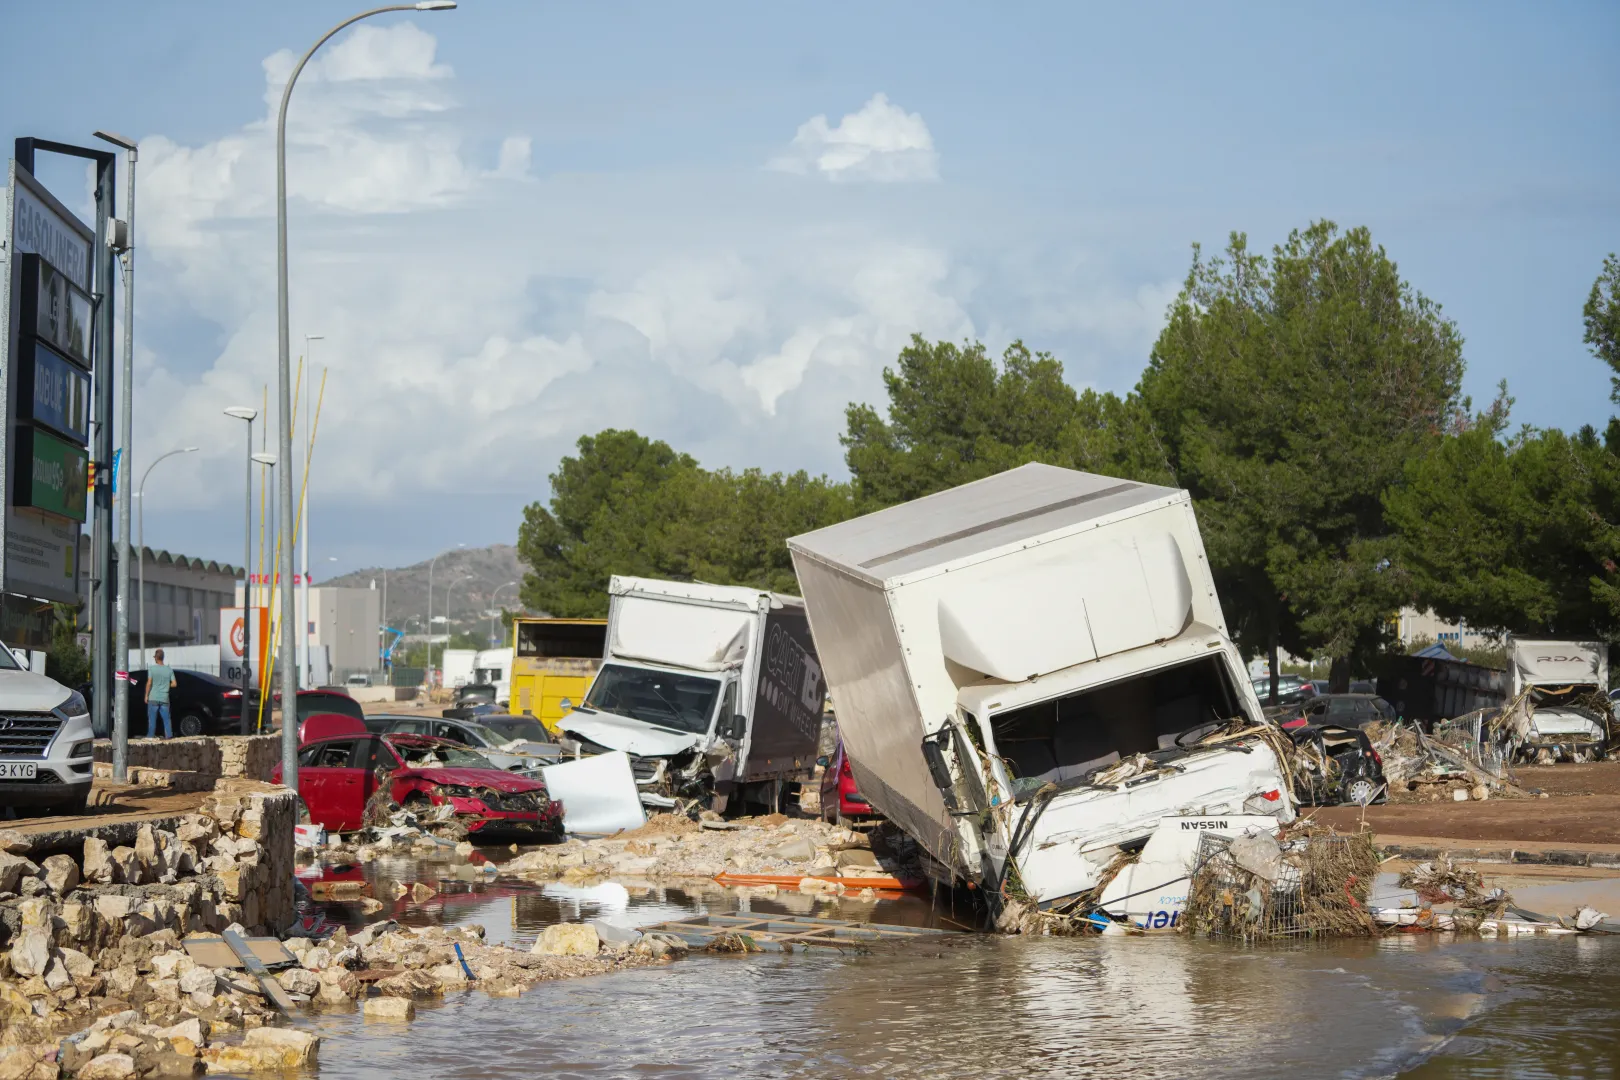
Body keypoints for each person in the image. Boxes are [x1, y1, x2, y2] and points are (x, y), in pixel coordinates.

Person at [146, 648, 177, 738]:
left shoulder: (152, 669)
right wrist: (167, 685)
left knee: (152, 720)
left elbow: (149, 682)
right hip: (164, 698)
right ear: (163, 658)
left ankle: (150, 737)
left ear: (156, 658)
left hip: (153, 697)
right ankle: (169, 737)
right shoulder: (169, 669)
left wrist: (146, 695)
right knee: (166, 720)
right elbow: (174, 684)